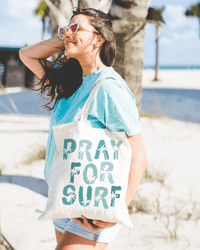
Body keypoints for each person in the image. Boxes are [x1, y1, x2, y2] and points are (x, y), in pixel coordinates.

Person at [19, 8, 147, 250]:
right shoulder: (69, 80)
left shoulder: (109, 87)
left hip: (95, 204)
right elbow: (27, 55)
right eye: (66, 28)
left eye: (76, 27)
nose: (68, 32)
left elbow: (138, 154)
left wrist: (118, 208)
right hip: (65, 194)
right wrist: (68, 37)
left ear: (99, 38)